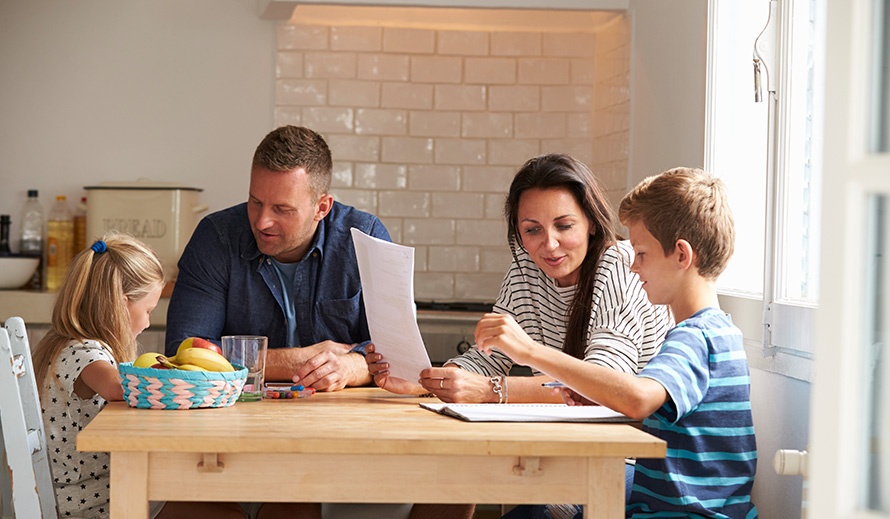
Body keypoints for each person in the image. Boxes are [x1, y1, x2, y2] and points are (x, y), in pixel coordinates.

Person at [478, 167, 758, 518]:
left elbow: (638, 397)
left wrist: (530, 351)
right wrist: (596, 399)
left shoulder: (697, 338)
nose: (634, 267)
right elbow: (667, 424)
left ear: (682, 255)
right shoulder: (717, 332)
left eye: (641, 254)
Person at [368, 153, 672, 404]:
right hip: (574, 437)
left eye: (564, 226)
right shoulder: (526, 269)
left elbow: (602, 386)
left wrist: (490, 390)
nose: (549, 244)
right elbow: (487, 360)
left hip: (634, 449)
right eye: (532, 229)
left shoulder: (620, 264)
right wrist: (426, 381)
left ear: (592, 223)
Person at [33, 234, 243, 519]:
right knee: (227, 513)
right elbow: (119, 387)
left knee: (224, 504)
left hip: (95, 489)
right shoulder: (81, 351)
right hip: (90, 502)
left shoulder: (66, 343)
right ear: (120, 305)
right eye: (148, 311)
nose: (147, 323)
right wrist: (178, 375)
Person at [165, 125, 390, 392]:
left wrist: (352, 366)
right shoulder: (215, 238)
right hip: (238, 417)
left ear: (322, 208)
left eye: (282, 209)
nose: (262, 222)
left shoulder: (366, 239)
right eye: (256, 201)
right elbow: (182, 356)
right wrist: (294, 361)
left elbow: (396, 355)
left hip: (341, 419)